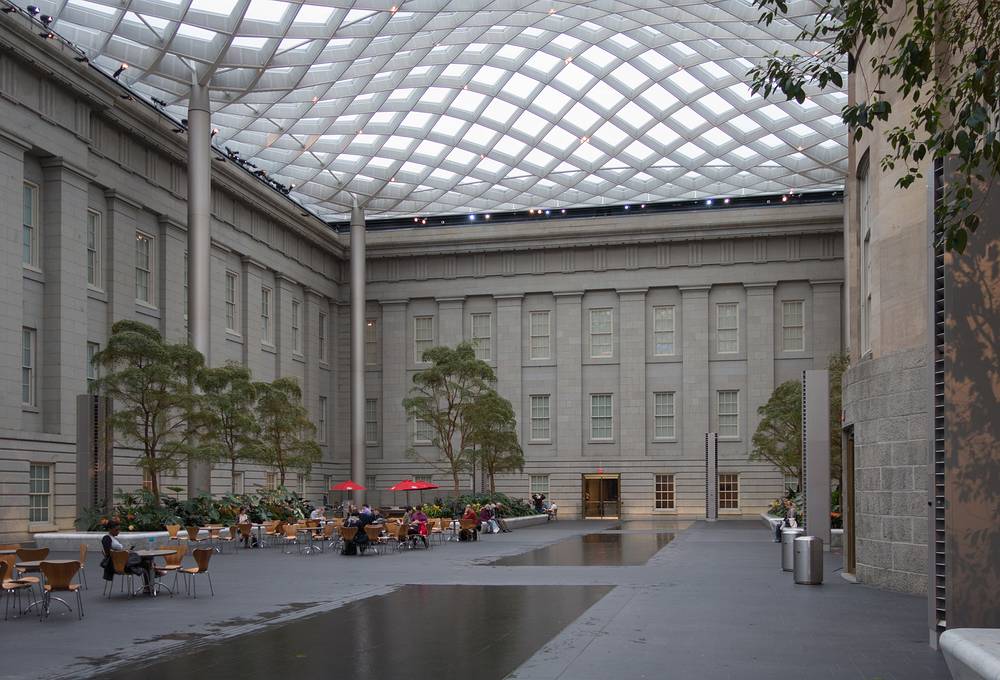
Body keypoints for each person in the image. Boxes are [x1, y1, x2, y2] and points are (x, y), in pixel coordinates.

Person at [100, 520, 149, 586]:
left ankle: (149, 584)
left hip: (123, 562)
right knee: (147, 562)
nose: (118, 531)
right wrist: (124, 552)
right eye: (116, 530)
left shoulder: (113, 538)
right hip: (120, 564)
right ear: (110, 529)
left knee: (147, 562)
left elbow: (115, 552)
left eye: (119, 529)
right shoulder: (106, 538)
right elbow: (109, 553)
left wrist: (125, 551)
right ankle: (150, 583)